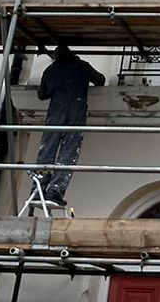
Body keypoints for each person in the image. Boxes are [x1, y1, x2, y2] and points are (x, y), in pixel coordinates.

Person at [28, 43, 106, 211]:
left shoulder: (51, 70)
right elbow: (100, 80)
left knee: (47, 150)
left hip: (55, 113)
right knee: (69, 151)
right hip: (75, 112)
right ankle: (56, 190)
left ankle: (38, 189)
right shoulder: (82, 66)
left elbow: (42, 95)